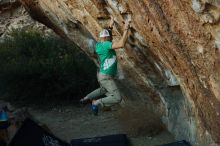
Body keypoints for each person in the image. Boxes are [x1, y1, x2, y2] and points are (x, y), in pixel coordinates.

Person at [80, 16, 130, 115]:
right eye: (109, 38)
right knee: (117, 98)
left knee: (103, 89)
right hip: (106, 76)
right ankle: (97, 102)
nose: (110, 39)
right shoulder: (107, 45)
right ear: (106, 38)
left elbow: (107, 34)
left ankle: (86, 98)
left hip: (102, 75)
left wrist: (111, 24)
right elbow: (121, 44)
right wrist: (126, 29)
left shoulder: (99, 45)